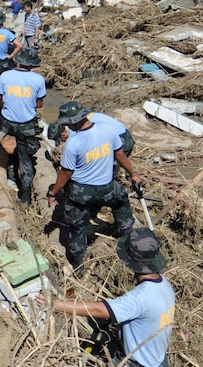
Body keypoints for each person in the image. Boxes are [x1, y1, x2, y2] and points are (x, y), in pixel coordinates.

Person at [35, 228, 175, 367]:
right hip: (158, 363)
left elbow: (99, 310)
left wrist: (56, 304)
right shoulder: (164, 284)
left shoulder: (141, 297)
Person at [47, 100, 143, 273]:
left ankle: (78, 265)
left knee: (76, 227)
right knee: (121, 202)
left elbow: (66, 173)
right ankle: (125, 234)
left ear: (73, 121)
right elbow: (120, 156)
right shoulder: (107, 130)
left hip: (82, 192)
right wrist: (133, 174)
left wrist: (53, 191)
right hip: (108, 188)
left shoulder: (73, 144)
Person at [0, 48, 46, 204]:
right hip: (26, 126)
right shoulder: (38, 80)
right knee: (26, 161)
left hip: (7, 124)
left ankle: (7, 173)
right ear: (33, 65)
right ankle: (25, 198)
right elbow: (40, 104)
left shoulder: (5, 76)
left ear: (17, 61)